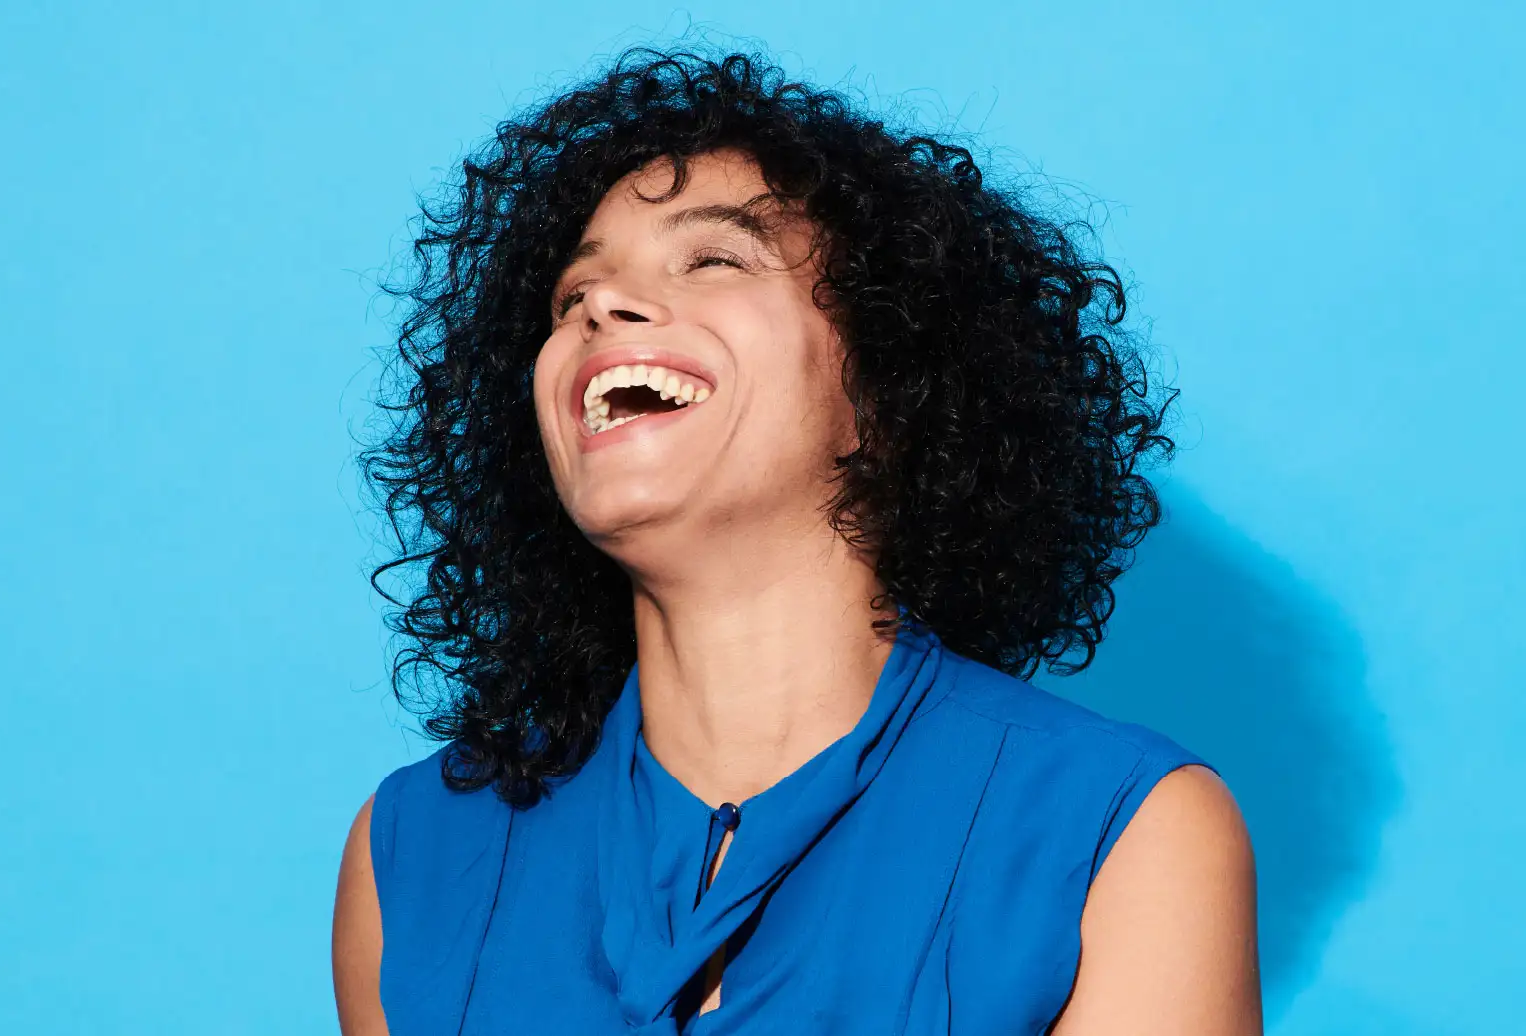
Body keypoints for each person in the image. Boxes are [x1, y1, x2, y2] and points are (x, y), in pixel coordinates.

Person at [328, 46, 1261, 1035]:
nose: (601, 306)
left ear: (886, 388)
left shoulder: (1123, 833)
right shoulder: (412, 852)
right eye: (572, 297)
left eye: (713, 258)